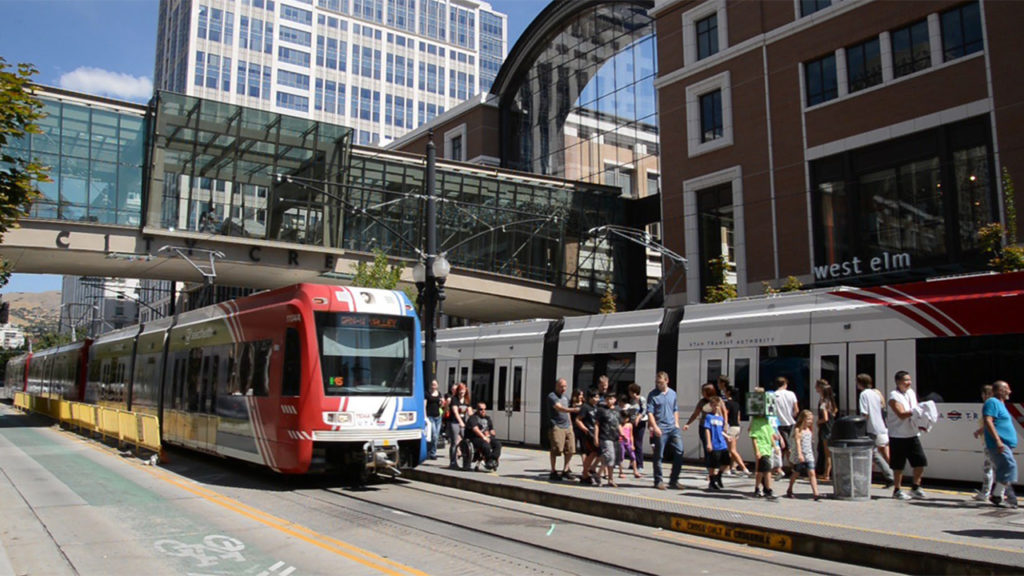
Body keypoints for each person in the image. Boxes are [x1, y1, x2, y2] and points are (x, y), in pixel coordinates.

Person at [887, 371, 928, 500]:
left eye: (909, 380)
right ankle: (897, 490)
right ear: (898, 382)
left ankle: (916, 487)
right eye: (906, 380)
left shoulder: (911, 393)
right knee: (898, 465)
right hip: (898, 436)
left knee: (920, 461)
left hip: (912, 434)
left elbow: (915, 410)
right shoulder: (894, 396)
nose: (909, 382)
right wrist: (916, 411)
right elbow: (901, 414)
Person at [981, 380, 1018, 508]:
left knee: (1005, 469)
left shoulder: (1001, 404)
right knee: (1009, 466)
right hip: (998, 444)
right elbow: (988, 420)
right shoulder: (992, 402)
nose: (1010, 391)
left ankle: (1004, 497)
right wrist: (997, 440)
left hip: (1005, 444)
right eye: (1007, 389)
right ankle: (998, 495)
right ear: (1001, 390)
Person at [856, 373, 894, 488]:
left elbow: (865, 413)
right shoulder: (875, 394)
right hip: (881, 427)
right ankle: (891, 475)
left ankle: (890, 476)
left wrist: (860, 428)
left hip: (871, 428)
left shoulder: (863, 394)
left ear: (860, 383)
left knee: (872, 454)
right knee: (877, 453)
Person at [648, 371, 684, 490]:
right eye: (657, 382)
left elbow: (675, 409)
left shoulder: (673, 393)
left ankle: (674, 480)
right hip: (661, 427)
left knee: (679, 451)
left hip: (673, 427)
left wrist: (677, 423)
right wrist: (655, 427)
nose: (658, 385)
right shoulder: (652, 395)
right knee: (659, 455)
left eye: (661, 382)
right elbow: (650, 413)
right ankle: (658, 481)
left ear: (667, 381)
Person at [749, 391, 779, 500]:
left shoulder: (766, 420)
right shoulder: (756, 421)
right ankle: (767, 489)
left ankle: (759, 488)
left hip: (767, 448)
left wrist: (774, 446)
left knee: (761, 471)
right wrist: (757, 450)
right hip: (761, 448)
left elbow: (770, 434)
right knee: (766, 471)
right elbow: (754, 436)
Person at [786, 409, 821, 500]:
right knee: (796, 473)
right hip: (800, 455)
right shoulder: (798, 429)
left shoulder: (809, 429)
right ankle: (790, 488)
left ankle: (816, 493)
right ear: (803, 419)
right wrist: (799, 454)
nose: (810, 421)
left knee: (812, 473)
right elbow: (798, 442)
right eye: (808, 419)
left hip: (809, 454)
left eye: (811, 419)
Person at [547, 378, 577, 481]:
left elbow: (567, 413)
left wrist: (571, 424)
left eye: (565, 386)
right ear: (556, 386)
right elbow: (559, 408)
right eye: (561, 386)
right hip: (557, 426)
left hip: (567, 426)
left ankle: (566, 470)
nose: (563, 388)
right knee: (556, 449)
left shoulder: (566, 397)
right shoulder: (552, 396)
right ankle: (553, 471)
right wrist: (574, 409)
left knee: (571, 449)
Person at [972, 383, 996, 501]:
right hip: (990, 441)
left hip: (990, 442)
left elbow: (990, 422)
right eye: (985, 394)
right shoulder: (993, 405)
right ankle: (997, 493)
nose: (986, 396)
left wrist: (979, 431)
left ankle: (986, 493)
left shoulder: (990, 406)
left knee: (988, 468)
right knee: (994, 468)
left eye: (989, 394)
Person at [772, 376, 799, 474]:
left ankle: (784, 467)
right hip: (791, 423)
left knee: (784, 446)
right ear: (785, 384)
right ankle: (791, 467)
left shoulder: (773, 395)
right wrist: (792, 416)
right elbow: (796, 410)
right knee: (788, 446)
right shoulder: (791, 394)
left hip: (779, 424)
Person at [683, 382, 718, 457]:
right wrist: (688, 423)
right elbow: (695, 413)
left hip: (715, 426)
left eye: (703, 391)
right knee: (707, 446)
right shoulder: (702, 402)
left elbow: (723, 412)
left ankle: (715, 462)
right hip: (704, 427)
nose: (702, 393)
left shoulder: (717, 400)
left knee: (715, 446)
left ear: (708, 391)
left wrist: (725, 424)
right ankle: (708, 462)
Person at [722, 385, 750, 476]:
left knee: (732, 450)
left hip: (730, 427)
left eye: (725, 391)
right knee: (731, 449)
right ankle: (730, 468)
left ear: (728, 392)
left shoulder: (727, 404)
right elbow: (738, 417)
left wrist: (724, 425)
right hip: (736, 427)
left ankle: (744, 468)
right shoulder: (736, 404)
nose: (724, 393)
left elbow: (725, 415)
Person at [575, 389, 602, 485]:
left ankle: (588, 471)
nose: (597, 399)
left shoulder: (596, 407)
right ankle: (585, 473)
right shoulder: (585, 407)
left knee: (598, 452)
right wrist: (584, 429)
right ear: (590, 398)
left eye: (598, 397)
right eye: (595, 397)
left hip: (595, 433)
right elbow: (578, 419)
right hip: (588, 434)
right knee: (592, 452)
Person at [465, 402, 501, 471]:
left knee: (497, 444)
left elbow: (491, 429)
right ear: (477, 409)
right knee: (486, 445)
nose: (483, 411)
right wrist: (484, 437)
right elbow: (475, 429)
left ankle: (493, 459)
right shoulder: (473, 418)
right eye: (481, 409)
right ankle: (489, 460)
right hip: (476, 437)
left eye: (484, 409)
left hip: (486, 436)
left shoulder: (487, 418)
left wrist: (490, 434)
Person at [703, 395, 729, 490]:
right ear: (711, 406)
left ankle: (719, 475)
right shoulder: (709, 417)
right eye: (714, 405)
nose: (716, 407)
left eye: (718, 405)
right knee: (713, 464)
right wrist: (709, 443)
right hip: (714, 443)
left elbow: (721, 430)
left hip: (722, 443)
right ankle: (712, 481)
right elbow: (707, 429)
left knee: (726, 462)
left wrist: (727, 436)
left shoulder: (721, 418)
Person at [597, 393, 621, 487]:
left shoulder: (617, 410)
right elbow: (597, 424)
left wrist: (622, 433)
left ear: (615, 400)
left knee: (612, 459)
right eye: (607, 399)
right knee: (609, 457)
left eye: (611, 398)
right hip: (605, 436)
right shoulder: (601, 410)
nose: (609, 401)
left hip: (614, 436)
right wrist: (596, 437)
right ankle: (598, 474)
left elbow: (618, 423)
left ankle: (610, 479)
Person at [816, 379, 838, 482]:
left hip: (825, 429)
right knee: (829, 453)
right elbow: (834, 413)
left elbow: (825, 418)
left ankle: (827, 474)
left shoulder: (823, 403)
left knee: (827, 454)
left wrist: (818, 421)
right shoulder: (831, 403)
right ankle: (827, 473)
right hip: (832, 428)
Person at [448, 383, 470, 469]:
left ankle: (465, 462)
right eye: (460, 390)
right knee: (454, 442)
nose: (462, 392)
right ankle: (453, 462)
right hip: (454, 422)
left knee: (465, 441)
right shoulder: (454, 399)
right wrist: (461, 422)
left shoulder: (466, 400)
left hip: (463, 423)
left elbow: (469, 411)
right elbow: (455, 412)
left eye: (463, 390)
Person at [627, 383, 648, 472]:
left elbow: (644, 410)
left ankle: (640, 464)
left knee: (638, 443)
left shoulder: (641, 399)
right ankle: (633, 462)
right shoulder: (632, 400)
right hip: (631, 423)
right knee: (631, 443)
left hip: (640, 423)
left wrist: (638, 418)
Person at [617, 409, 641, 478]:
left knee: (633, 456)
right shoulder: (619, 425)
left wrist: (632, 444)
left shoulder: (630, 425)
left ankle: (635, 471)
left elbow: (631, 435)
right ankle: (621, 472)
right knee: (621, 457)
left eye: (626, 418)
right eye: (623, 418)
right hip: (621, 442)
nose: (625, 419)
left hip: (628, 442)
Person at [425, 380, 443, 460]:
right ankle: (432, 452)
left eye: (435, 385)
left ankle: (432, 452)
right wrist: (425, 416)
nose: (433, 386)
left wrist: (442, 402)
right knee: (434, 435)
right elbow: (424, 405)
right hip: (430, 416)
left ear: (437, 386)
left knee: (436, 436)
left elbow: (440, 406)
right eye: (432, 384)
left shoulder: (439, 394)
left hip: (438, 417)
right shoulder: (427, 394)